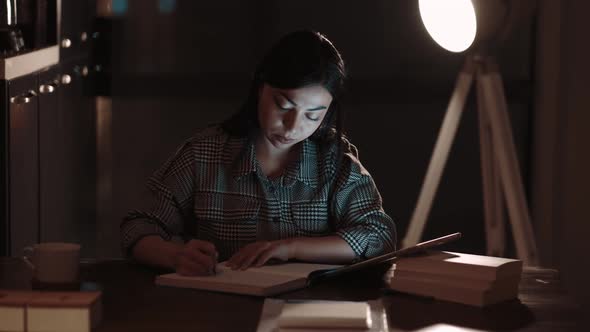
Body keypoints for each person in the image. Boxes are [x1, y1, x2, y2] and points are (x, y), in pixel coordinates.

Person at [120, 29, 396, 276]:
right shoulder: (204, 154)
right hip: (218, 307)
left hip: (309, 311)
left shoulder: (335, 161)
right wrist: (177, 256)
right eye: (283, 106)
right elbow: (138, 227)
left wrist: (291, 247)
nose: (293, 127)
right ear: (259, 87)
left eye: (313, 116)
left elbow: (379, 236)